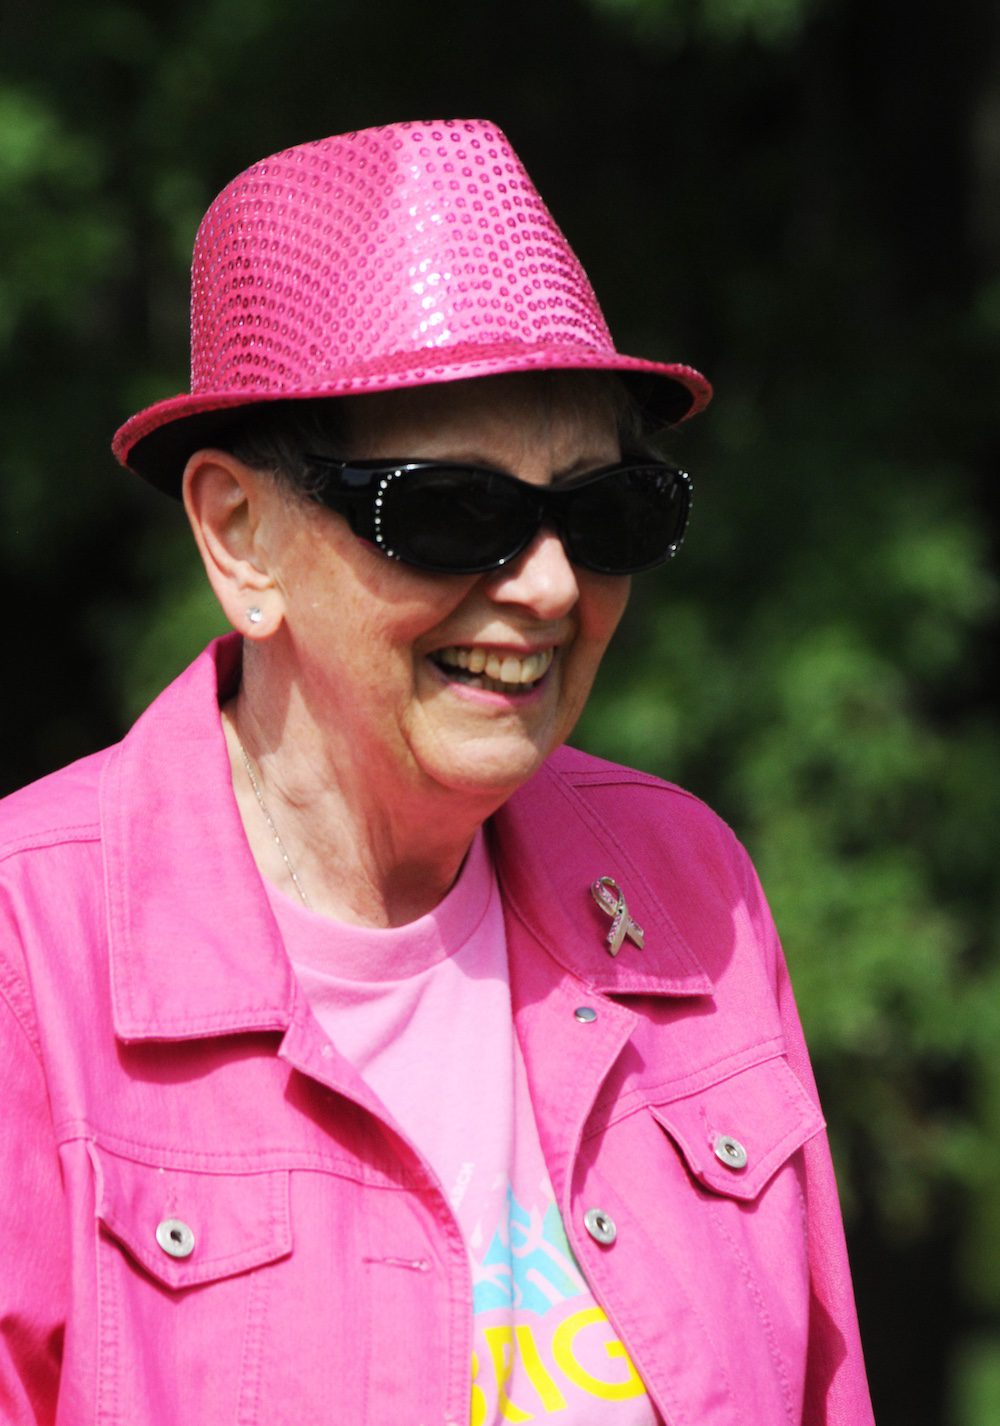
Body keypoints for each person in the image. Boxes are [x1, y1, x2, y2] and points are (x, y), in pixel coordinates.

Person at [0, 119, 874, 1425]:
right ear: (240, 535)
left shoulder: (692, 890)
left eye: (607, 512)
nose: (551, 584)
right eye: (454, 509)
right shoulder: (29, 948)